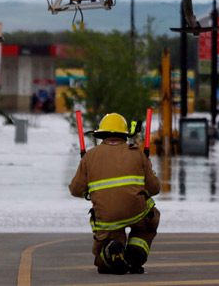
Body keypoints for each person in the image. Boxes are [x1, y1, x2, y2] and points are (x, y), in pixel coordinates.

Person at [69, 112, 160, 275]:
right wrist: (149, 167)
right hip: (137, 214)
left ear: (101, 134)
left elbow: (75, 190)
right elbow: (154, 189)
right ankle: (134, 258)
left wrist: (86, 175)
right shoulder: (137, 154)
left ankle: (111, 253)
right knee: (150, 220)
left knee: (102, 260)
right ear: (124, 135)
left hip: (108, 221)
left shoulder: (89, 157)